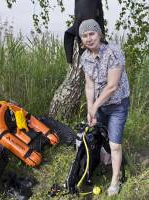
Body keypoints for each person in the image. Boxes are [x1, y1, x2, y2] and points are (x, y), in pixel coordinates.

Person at [78, 19, 130, 196]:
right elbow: (89, 85)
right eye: (84, 36)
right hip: (100, 106)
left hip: (117, 105)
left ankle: (115, 180)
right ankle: (105, 160)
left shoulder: (113, 52)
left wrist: (95, 106)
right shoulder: (84, 57)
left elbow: (112, 86)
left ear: (99, 34)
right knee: (101, 137)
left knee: (115, 144)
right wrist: (90, 109)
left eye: (91, 33)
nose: (88, 38)